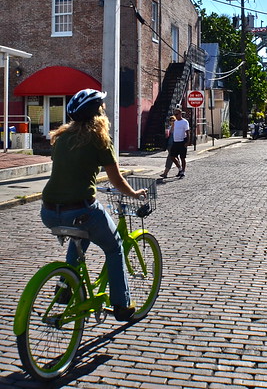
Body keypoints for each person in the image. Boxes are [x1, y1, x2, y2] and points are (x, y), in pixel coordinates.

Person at [40, 88, 147, 322]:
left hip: (48, 212)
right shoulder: (99, 139)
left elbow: (70, 169)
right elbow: (116, 179)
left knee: (81, 236)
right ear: (98, 113)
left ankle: (65, 288)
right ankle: (121, 305)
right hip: (81, 209)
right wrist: (134, 193)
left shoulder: (60, 137)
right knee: (115, 247)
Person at [159, 106, 190, 179]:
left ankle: (183, 171)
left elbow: (188, 132)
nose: (175, 116)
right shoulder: (175, 122)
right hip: (175, 142)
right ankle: (179, 168)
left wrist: (188, 142)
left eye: (177, 114)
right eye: (174, 114)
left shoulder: (185, 122)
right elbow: (171, 132)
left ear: (180, 114)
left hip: (182, 141)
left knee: (182, 157)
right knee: (172, 156)